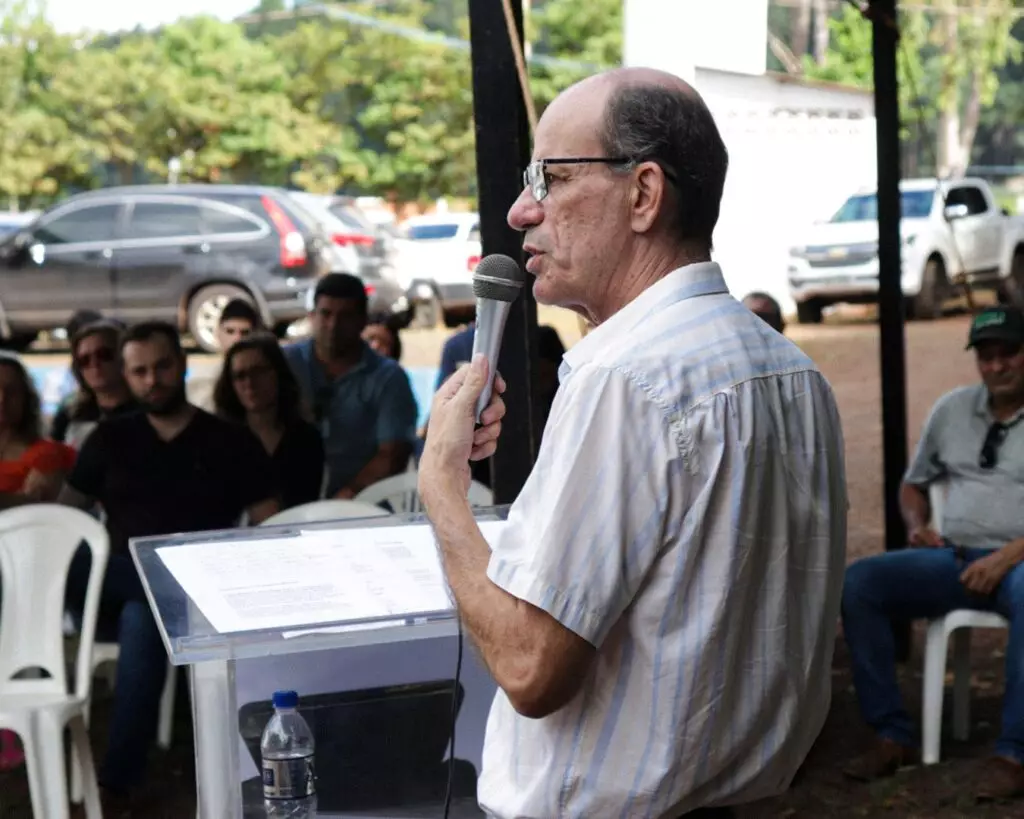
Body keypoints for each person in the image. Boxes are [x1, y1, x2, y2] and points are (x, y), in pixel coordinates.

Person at [418, 67, 848, 818]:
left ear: (644, 194)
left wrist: (441, 489)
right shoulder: (795, 374)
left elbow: (529, 667)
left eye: (549, 178)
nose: (522, 211)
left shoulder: (627, 380)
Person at [59, 321, 279, 801]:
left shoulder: (228, 440)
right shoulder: (108, 439)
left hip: (204, 596)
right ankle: (159, 587)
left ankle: (117, 785)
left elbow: (270, 525)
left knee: (145, 617)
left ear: (181, 365)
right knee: (83, 567)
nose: (151, 380)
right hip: (113, 591)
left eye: (161, 367)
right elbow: (63, 520)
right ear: (127, 375)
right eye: (139, 371)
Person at [842, 305, 1024, 801]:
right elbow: (914, 484)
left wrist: (1007, 558)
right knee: (861, 583)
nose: (996, 366)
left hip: (1018, 564)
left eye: (1008, 352)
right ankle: (891, 734)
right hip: (955, 558)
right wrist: (918, 525)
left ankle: (1014, 753)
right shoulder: (952, 409)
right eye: (986, 356)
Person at [0, 354, 75, 771]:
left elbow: (35, 509)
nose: (1, 398)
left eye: (10, 390)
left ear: (25, 399)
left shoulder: (44, 452)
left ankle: (10, 725)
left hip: (30, 569)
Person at [284, 274, 417, 499]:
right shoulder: (285, 364)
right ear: (311, 316)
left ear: (363, 320)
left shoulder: (388, 377)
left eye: (345, 316)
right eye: (326, 314)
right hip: (286, 502)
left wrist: (344, 500)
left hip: (364, 506)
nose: (333, 325)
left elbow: (393, 453)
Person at [214, 332, 325, 510]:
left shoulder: (306, 439)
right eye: (240, 376)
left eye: (258, 372)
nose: (250, 383)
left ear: (278, 374)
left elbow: (304, 503)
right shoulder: (218, 441)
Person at [50, 320, 136, 448]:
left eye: (103, 355)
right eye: (84, 360)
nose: (94, 364)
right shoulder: (70, 415)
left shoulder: (149, 412)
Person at [186, 298, 261, 412]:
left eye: (245, 333)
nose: (237, 339)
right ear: (218, 333)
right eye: (230, 331)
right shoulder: (201, 384)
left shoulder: (266, 379)